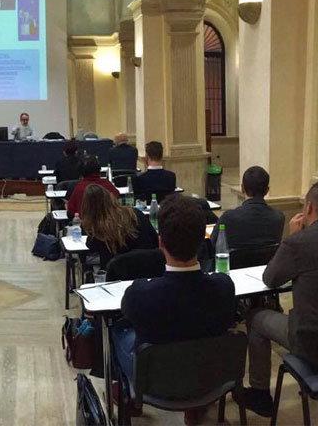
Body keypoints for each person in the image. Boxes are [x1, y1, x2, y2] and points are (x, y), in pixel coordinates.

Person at [243, 182, 318, 417]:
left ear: (308, 208)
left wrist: (291, 239)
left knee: (256, 318)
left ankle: (259, 394)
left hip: (316, 346)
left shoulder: (299, 242)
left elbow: (271, 278)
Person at [116, 195, 235, 425]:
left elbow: (128, 314)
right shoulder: (224, 287)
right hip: (210, 379)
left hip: (154, 383)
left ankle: (126, 398)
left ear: (160, 243)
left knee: (116, 332)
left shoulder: (140, 294)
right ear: (203, 240)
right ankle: (197, 405)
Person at [81, 184, 157, 267]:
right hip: (147, 268)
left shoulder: (97, 229)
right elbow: (154, 238)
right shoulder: (134, 214)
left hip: (116, 274)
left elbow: (91, 247)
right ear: (110, 197)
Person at [210, 166, 285, 250]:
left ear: (242, 188)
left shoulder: (229, 217)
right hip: (267, 263)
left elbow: (213, 244)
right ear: (267, 190)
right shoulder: (278, 217)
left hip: (236, 263)